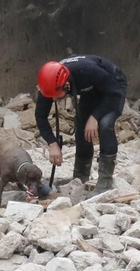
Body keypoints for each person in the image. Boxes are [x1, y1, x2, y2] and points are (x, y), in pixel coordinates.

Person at [35, 54, 127, 195]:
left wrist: (94, 117)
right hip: (89, 90)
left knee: (105, 124)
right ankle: (80, 177)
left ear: (66, 85)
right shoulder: (50, 83)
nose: (53, 99)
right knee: (82, 129)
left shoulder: (88, 70)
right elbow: (40, 115)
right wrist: (52, 143)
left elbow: (114, 92)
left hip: (113, 86)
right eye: (49, 95)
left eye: (56, 95)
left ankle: (105, 181)